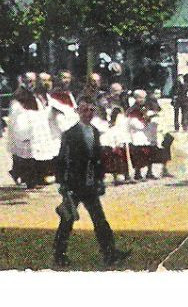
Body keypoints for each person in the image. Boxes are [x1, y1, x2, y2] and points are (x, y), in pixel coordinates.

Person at [52, 99, 129, 268]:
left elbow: (97, 160)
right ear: (78, 111)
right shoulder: (70, 134)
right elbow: (61, 160)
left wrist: (100, 179)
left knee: (100, 220)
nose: (88, 114)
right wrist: (63, 184)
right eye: (85, 110)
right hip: (74, 184)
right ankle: (59, 255)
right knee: (67, 220)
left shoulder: (94, 131)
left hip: (90, 184)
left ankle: (109, 253)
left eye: (91, 110)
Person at [7, 73, 59, 187]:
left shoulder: (35, 96)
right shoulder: (19, 96)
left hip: (36, 131)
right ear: (23, 81)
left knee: (37, 155)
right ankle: (27, 179)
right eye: (29, 81)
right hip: (25, 131)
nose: (31, 84)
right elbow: (17, 115)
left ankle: (38, 177)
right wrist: (23, 132)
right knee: (26, 157)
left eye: (33, 81)